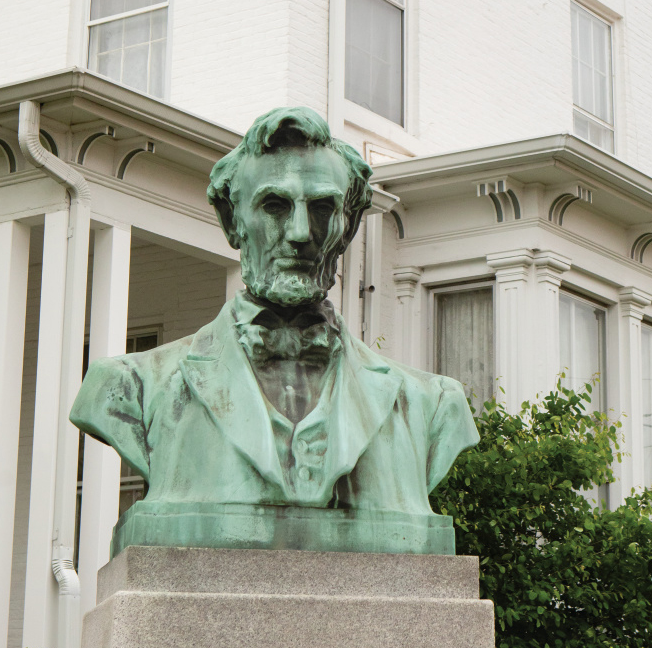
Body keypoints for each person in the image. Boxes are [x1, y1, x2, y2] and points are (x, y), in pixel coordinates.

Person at [69, 107, 479, 555]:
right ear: (232, 221)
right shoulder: (130, 387)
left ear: (348, 227)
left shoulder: (434, 405)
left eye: (322, 208)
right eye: (275, 205)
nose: (300, 232)